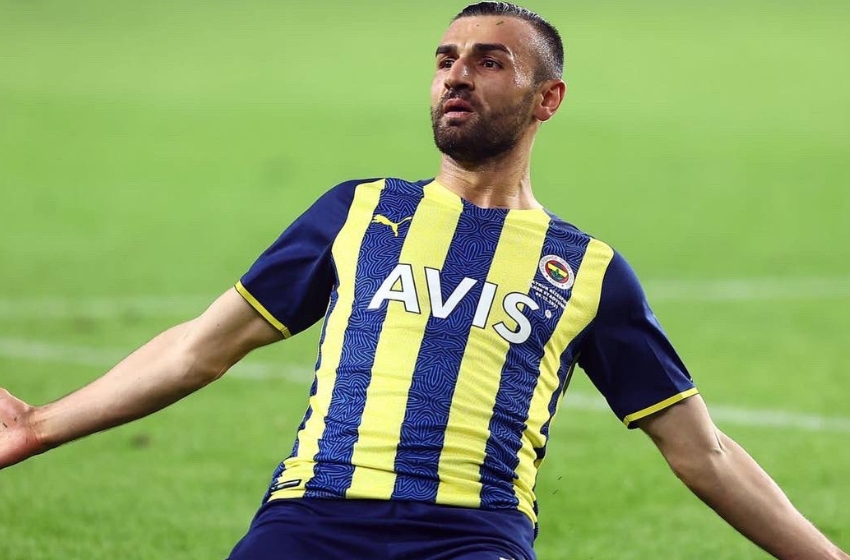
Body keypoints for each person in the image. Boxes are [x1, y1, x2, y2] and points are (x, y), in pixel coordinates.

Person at [0, 3, 847, 559]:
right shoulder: (359, 212)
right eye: (445, 58)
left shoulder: (588, 269)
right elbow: (199, 349)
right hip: (314, 515)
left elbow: (702, 452)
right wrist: (37, 427)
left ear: (547, 99)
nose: (456, 74)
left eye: (489, 61)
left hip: (472, 535)